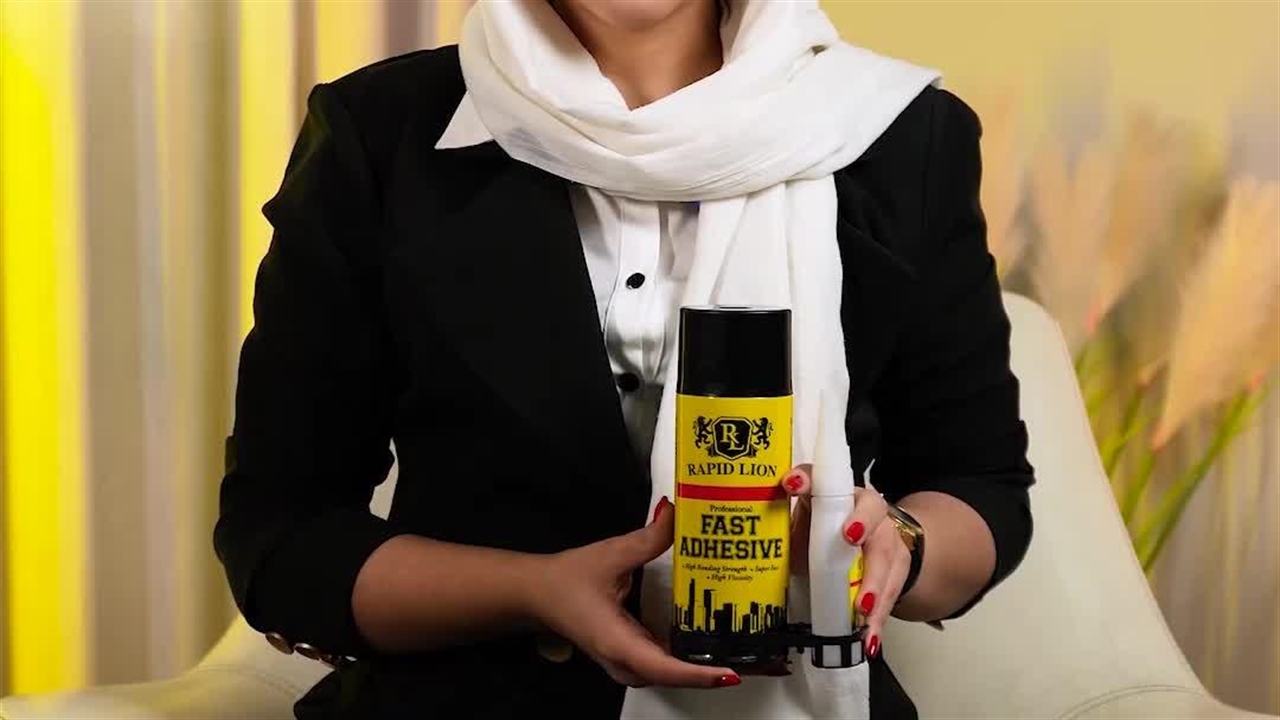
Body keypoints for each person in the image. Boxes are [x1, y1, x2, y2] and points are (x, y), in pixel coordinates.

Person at [213, 1, 1035, 718]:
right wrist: (534, 591)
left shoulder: (900, 135)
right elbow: (281, 536)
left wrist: (896, 545)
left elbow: (980, 487)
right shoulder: (381, 131)